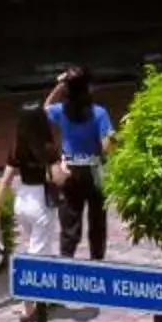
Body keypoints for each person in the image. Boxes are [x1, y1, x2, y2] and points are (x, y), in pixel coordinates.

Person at [43, 67, 117, 261]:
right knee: (97, 221)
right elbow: (107, 146)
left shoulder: (61, 111)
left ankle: (67, 259)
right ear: (88, 88)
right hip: (94, 171)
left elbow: (45, 108)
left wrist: (59, 86)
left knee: (70, 221)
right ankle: (97, 260)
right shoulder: (99, 113)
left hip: (70, 171)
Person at [0, 104, 60, 264]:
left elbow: (4, 180)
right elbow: (58, 178)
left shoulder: (17, 148)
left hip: (22, 199)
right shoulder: (47, 148)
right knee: (39, 253)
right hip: (41, 201)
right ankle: (34, 286)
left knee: (34, 244)